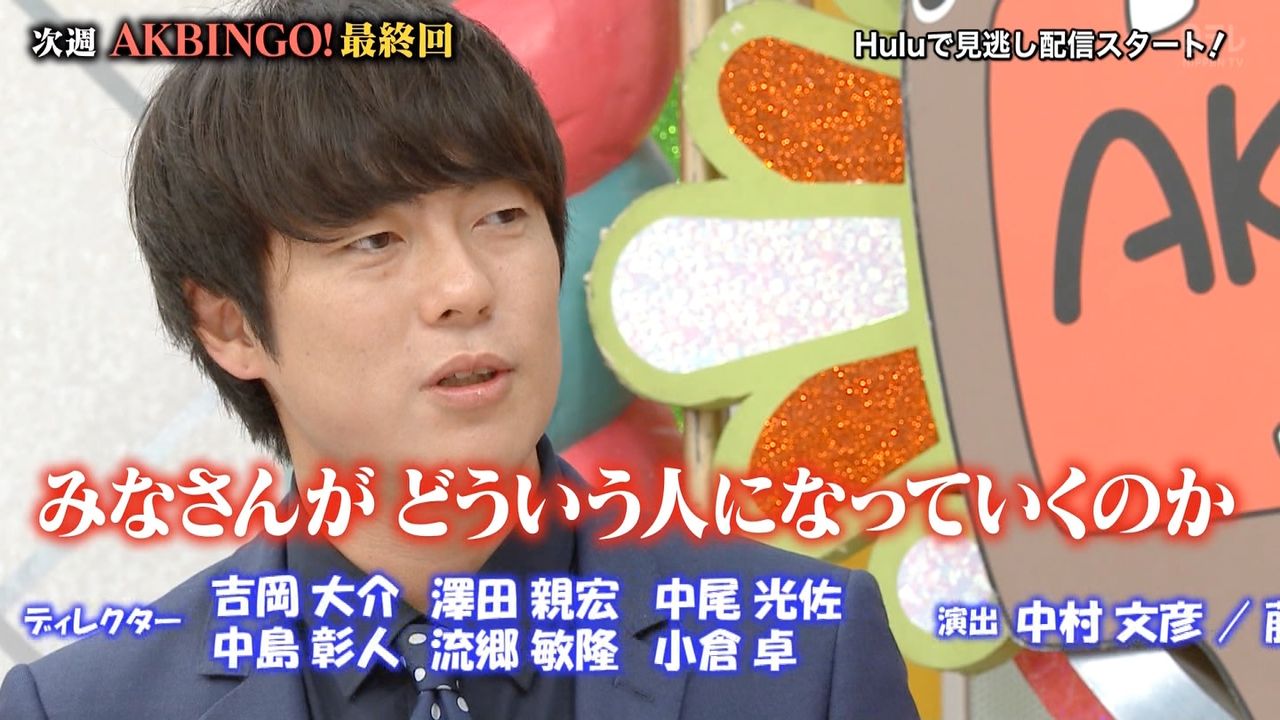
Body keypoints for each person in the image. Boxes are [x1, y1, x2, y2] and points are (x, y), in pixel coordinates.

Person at [0, 1, 918, 718]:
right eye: (373, 240)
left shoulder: (808, 657)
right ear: (231, 323)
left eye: (502, 217)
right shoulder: (80, 707)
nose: (465, 287)